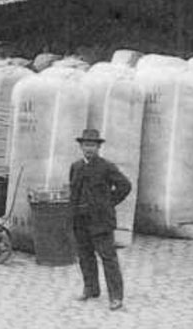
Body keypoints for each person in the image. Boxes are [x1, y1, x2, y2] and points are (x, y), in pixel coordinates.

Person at [69, 128, 132, 312]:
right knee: (85, 256)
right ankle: (91, 289)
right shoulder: (76, 167)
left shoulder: (106, 167)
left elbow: (125, 186)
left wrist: (108, 203)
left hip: (100, 221)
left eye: (93, 145)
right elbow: (74, 193)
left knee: (108, 257)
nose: (89, 148)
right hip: (80, 220)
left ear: (98, 147)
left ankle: (116, 297)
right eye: (86, 145)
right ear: (81, 146)